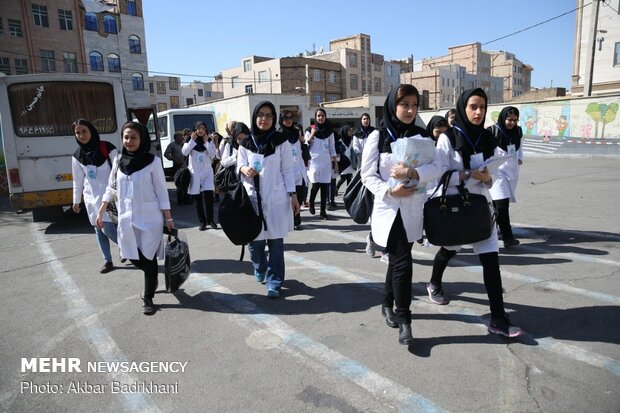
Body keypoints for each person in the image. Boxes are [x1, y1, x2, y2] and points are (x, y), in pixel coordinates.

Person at [426, 88, 524, 338]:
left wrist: (487, 177)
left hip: (480, 206)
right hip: (454, 206)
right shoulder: (448, 138)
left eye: (482, 107)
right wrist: (469, 174)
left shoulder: (489, 139)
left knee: (491, 261)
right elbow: (440, 173)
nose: (478, 112)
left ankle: (498, 318)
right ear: (463, 107)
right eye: (473, 107)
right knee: (450, 249)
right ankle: (434, 283)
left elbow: (493, 177)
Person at [361, 84, 441, 345]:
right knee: (404, 262)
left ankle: (386, 302)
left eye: (414, 105)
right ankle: (405, 319)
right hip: (388, 207)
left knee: (397, 260)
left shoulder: (422, 135)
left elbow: (436, 167)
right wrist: (389, 191)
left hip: (413, 207)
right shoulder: (378, 136)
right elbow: (367, 175)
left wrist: (413, 174)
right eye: (404, 104)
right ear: (393, 105)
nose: (409, 110)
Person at [96, 121, 173, 315]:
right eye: (126, 137)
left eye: (134, 137)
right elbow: (111, 187)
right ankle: (152, 277)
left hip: (150, 219)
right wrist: (101, 209)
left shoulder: (153, 162)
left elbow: (162, 193)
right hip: (126, 219)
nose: (129, 141)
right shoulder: (118, 160)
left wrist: (168, 219)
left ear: (142, 139)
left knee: (149, 258)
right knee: (131, 254)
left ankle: (148, 297)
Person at [238, 101, 300, 297]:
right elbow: (239, 164)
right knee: (255, 243)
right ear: (255, 117)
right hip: (253, 199)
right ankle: (259, 265)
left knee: (276, 243)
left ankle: (274, 281)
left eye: (269, 115)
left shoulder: (281, 141)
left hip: (277, 198)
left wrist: (293, 195)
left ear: (274, 119)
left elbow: (288, 170)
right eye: (261, 115)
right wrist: (243, 169)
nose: (264, 119)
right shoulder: (246, 142)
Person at [72, 119, 121, 274]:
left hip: (110, 195)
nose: (81, 135)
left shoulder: (107, 147)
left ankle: (127, 248)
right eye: (77, 132)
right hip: (91, 198)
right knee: (98, 230)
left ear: (91, 131)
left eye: (84, 131)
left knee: (109, 228)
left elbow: (118, 169)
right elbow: (78, 180)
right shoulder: (77, 155)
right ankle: (108, 261)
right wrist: (76, 199)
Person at [488, 106, 524, 248]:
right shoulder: (493, 131)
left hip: (511, 172)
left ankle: (491, 231)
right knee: (502, 205)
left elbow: (520, 146)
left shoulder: (518, 131)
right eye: (509, 119)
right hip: (496, 173)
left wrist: (520, 157)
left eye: (515, 120)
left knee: (498, 206)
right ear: (503, 118)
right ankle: (508, 237)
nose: (512, 123)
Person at [182, 121, 219, 231]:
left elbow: (213, 155)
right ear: (195, 130)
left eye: (203, 128)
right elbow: (184, 152)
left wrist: (206, 142)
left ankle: (211, 220)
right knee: (197, 200)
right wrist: (192, 141)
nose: (201, 130)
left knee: (208, 198)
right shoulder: (189, 140)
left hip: (207, 172)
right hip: (195, 173)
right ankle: (202, 222)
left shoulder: (209, 140)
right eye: (198, 128)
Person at [305, 108, 337, 219]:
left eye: (322, 115)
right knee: (315, 185)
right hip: (314, 162)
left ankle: (323, 211)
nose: (320, 118)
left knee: (325, 187)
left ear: (325, 117)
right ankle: (311, 202)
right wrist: (313, 134)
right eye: (318, 116)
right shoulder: (310, 129)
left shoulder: (330, 131)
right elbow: (306, 144)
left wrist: (335, 163)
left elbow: (332, 148)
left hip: (326, 163)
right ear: (315, 117)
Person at [279, 111, 308, 229]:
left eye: (290, 117)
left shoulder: (297, 133)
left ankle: (297, 214)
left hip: (299, 170)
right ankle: (294, 219)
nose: (288, 120)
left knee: (300, 195)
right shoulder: (279, 135)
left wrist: (303, 141)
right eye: (285, 118)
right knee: (290, 197)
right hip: (286, 171)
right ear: (281, 119)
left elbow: (303, 153)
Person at [219, 122, 249, 191]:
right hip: (234, 183)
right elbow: (224, 162)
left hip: (249, 183)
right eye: (239, 138)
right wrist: (235, 156)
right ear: (235, 137)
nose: (242, 141)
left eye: (245, 138)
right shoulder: (230, 145)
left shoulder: (252, 146)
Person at [165, 131, 191, 205]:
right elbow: (166, 154)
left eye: (181, 137)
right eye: (179, 137)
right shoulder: (172, 145)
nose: (181, 138)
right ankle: (180, 200)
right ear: (175, 138)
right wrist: (173, 158)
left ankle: (187, 199)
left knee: (186, 183)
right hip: (177, 166)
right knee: (179, 183)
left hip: (186, 166)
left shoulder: (185, 145)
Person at [335, 124, 354, 199]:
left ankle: (349, 193)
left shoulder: (351, 140)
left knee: (349, 177)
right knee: (343, 178)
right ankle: (336, 188)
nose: (351, 132)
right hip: (343, 162)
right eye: (349, 131)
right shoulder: (340, 140)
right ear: (345, 131)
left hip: (350, 162)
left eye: (351, 131)